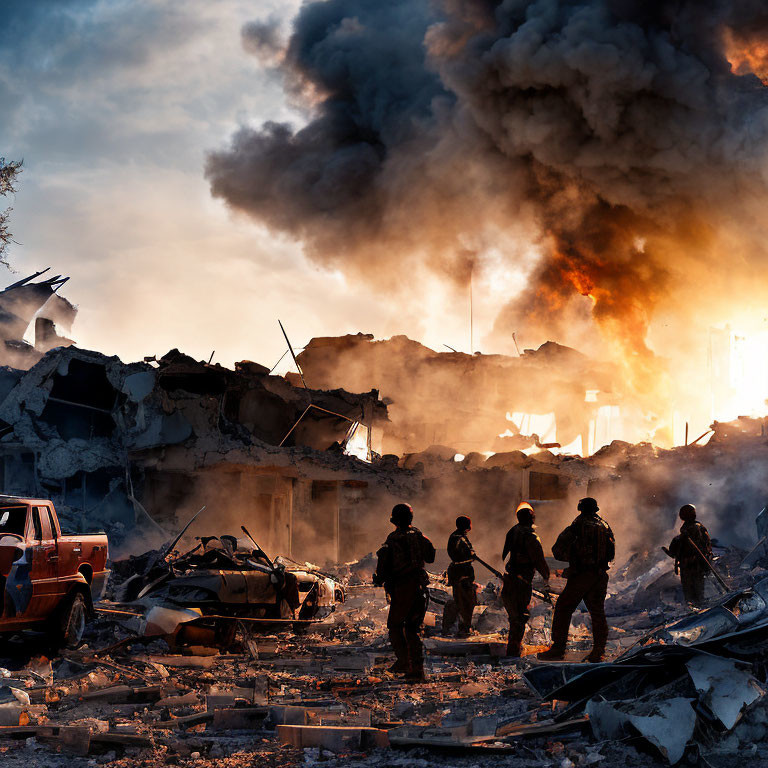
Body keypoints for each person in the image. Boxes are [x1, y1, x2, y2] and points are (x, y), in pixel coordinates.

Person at [539, 497, 615, 663]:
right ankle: (598, 652)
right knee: (597, 613)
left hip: (582, 574)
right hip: (600, 574)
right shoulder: (605, 526)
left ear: (580, 508)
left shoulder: (578, 525)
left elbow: (557, 550)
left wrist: (573, 557)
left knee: (563, 608)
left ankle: (558, 649)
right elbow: (611, 553)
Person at [372, 503, 436, 681]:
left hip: (403, 588)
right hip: (420, 588)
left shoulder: (393, 539)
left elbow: (383, 567)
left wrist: (379, 579)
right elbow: (431, 556)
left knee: (395, 625)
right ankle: (416, 669)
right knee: (413, 628)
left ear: (395, 519)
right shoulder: (420, 536)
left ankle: (404, 662)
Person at [501, 502, 550, 657]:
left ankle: (513, 646)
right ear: (531, 518)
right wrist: (546, 576)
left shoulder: (512, 531)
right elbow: (539, 560)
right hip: (522, 582)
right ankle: (514, 650)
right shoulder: (531, 537)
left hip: (510, 579)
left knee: (514, 615)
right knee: (520, 615)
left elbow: (504, 554)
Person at [667, 504, 713, 607]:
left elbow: (674, 552)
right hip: (694, 565)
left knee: (692, 593)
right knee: (696, 591)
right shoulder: (696, 529)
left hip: (693, 566)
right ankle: (698, 608)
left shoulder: (692, 530)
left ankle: (698, 609)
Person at [442, 516, 477, 637]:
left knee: (463, 600)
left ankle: (462, 627)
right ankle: (463, 629)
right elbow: (468, 554)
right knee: (466, 602)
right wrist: (472, 556)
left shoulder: (456, 537)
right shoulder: (459, 538)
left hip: (460, 573)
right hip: (462, 574)